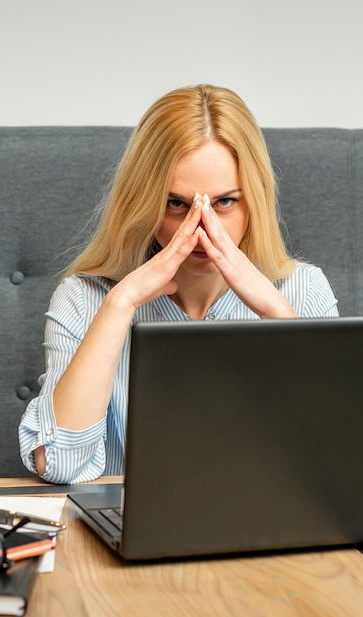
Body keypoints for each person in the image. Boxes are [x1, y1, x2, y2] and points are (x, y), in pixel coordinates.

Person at [19, 84, 338, 484]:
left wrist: (276, 313)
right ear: (144, 203)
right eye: (176, 204)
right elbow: (60, 463)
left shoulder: (303, 291)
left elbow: (332, 462)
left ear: (254, 200)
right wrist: (122, 304)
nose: (203, 230)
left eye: (224, 202)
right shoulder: (84, 299)